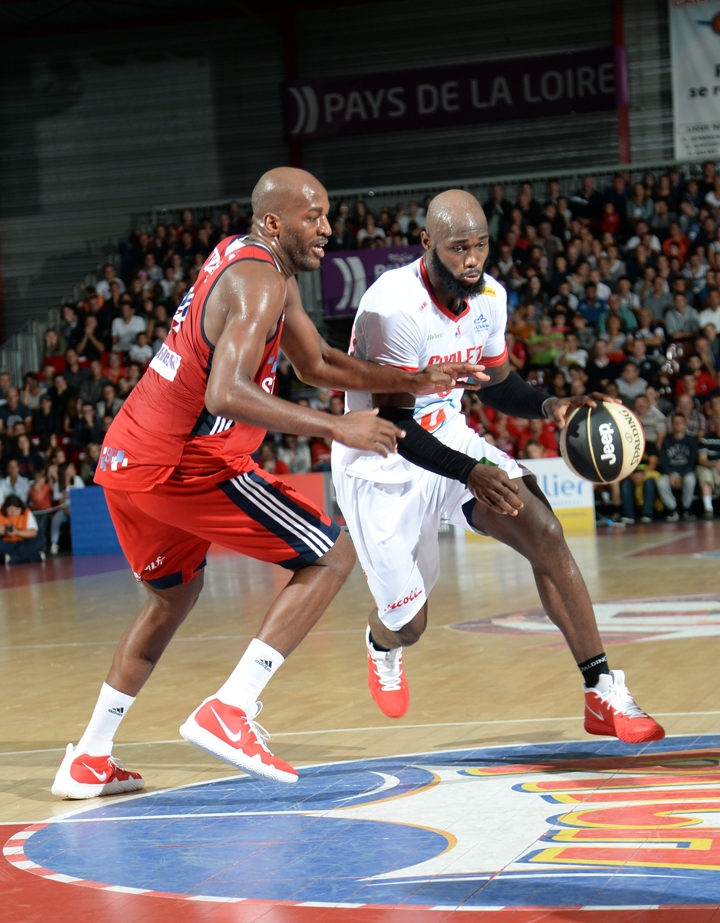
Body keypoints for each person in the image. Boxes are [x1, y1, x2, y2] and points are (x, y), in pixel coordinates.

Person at [51, 168, 481, 801]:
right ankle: (231, 708)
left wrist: (414, 380)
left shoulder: (255, 264)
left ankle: (88, 756)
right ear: (274, 222)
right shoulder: (258, 281)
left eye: (328, 215)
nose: (328, 229)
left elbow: (317, 364)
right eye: (314, 217)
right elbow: (226, 392)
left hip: (127, 458)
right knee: (334, 550)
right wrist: (340, 427)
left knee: (171, 599)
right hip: (183, 461)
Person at [331, 189, 664, 748]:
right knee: (410, 623)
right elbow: (396, 425)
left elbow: (497, 381)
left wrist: (549, 406)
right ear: (427, 244)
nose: (472, 259)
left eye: (480, 245)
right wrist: (468, 472)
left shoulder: (488, 297)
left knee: (543, 529)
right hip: (382, 460)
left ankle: (601, 689)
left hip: (449, 440)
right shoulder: (394, 308)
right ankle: (381, 642)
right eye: (459, 247)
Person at [657, 413, 698, 522]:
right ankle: (672, 509)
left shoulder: (691, 441)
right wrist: (670, 474)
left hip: (686, 472)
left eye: (680, 423)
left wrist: (681, 476)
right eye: (675, 423)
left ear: (685, 424)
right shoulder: (666, 441)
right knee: (661, 482)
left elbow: (693, 462)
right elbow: (664, 461)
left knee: (690, 480)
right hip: (671, 472)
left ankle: (686, 509)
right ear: (672, 425)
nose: (678, 425)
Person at [0, 494, 45, 564]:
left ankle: (13, 558)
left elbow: (33, 533)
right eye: (10, 510)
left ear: (21, 508)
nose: (13, 513)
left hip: (23, 543)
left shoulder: (27, 513)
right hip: (7, 544)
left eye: (16, 510)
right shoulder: (1, 514)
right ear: (5, 509)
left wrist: (17, 532)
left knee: (41, 539)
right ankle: (33, 557)